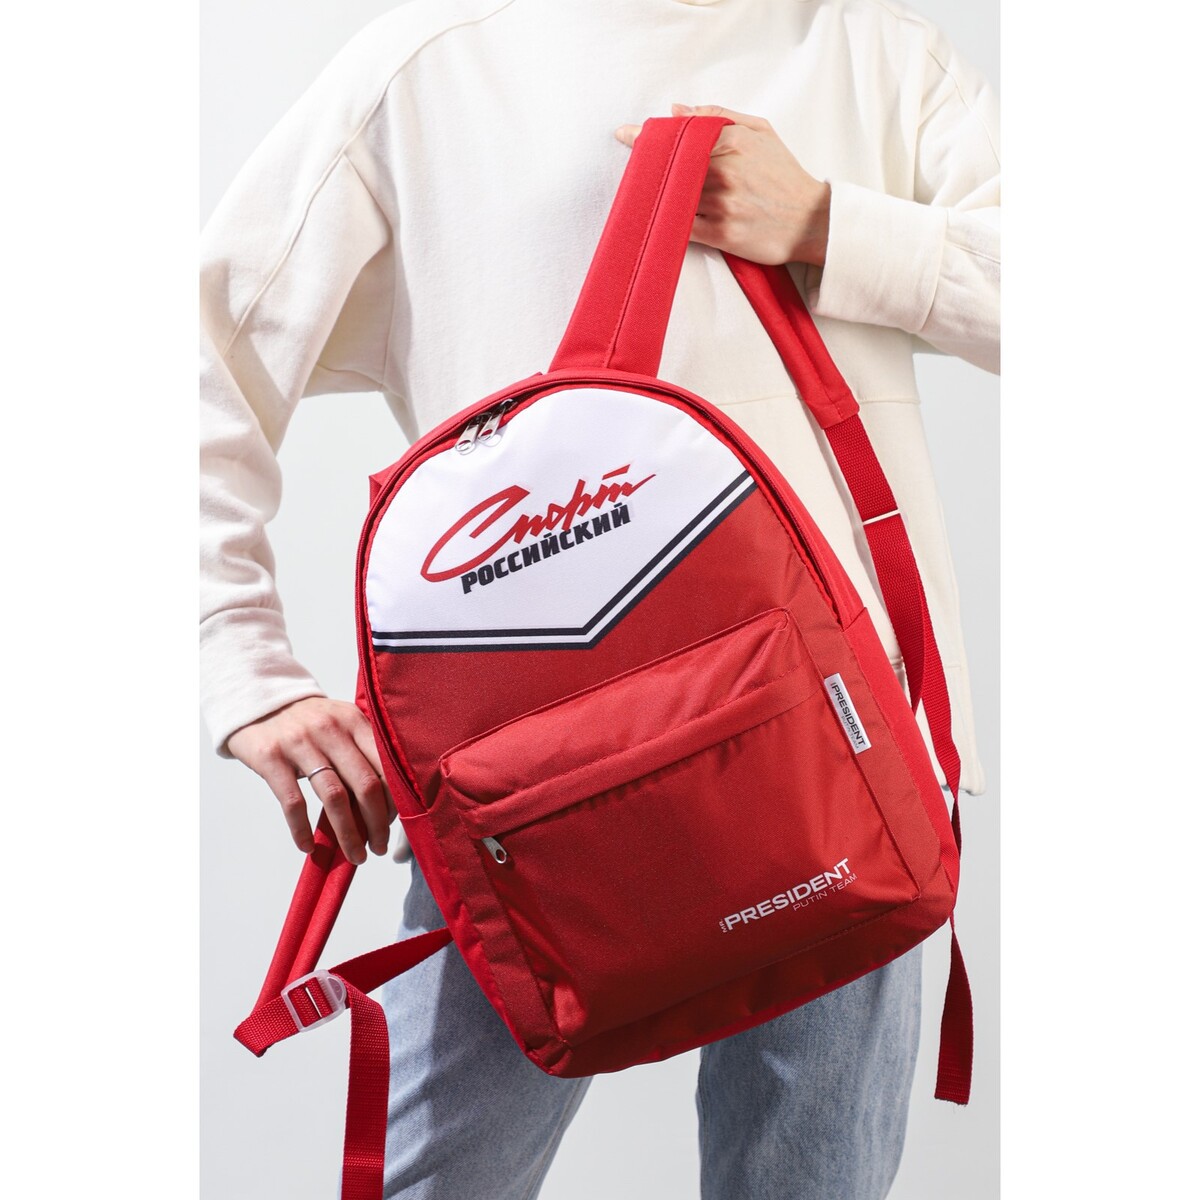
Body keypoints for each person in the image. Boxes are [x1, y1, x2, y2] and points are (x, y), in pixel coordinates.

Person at [200, 1, 999, 1195]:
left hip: (842, 741)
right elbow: (199, 357)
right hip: (527, 773)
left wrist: (830, 224)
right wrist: (241, 667)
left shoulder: (874, 51)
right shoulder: (427, 66)